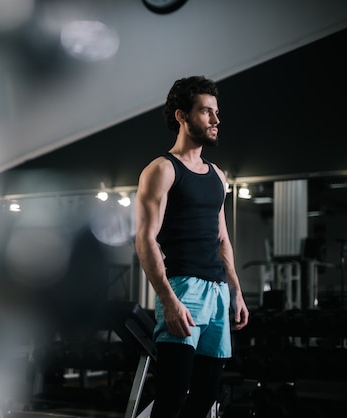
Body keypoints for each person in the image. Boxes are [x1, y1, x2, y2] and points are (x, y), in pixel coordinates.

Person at [134, 75, 249, 418]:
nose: (216, 120)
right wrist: (169, 300)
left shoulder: (218, 175)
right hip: (183, 288)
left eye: (217, 112)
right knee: (171, 395)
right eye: (206, 112)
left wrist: (237, 292)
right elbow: (145, 239)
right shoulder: (162, 170)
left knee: (205, 398)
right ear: (182, 116)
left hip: (217, 294)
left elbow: (222, 239)